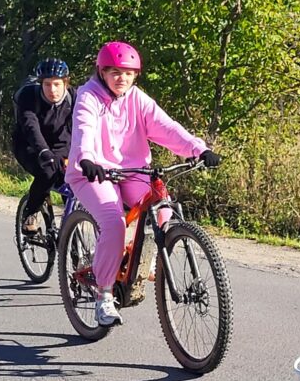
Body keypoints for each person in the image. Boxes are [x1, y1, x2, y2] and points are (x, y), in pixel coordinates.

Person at [68, 41, 221, 326]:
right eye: (114, 72)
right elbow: (84, 128)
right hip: (92, 171)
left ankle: (146, 259)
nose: (121, 78)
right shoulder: (88, 96)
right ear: (101, 72)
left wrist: (198, 149)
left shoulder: (137, 98)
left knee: (163, 205)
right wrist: (87, 158)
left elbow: (167, 127)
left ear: (135, 75)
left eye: (127, 73)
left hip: (132, 169)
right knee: (114, 222)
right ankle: (104, 297)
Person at [12, 58, 74, 233]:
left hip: (61, 144)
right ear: (41, 84)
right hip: (28, 145)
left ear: (65, 83)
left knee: (72, 178)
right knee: (48, 171)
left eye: (57, 84)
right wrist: (44, 151)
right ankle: (30, 212)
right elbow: (30, 126)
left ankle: (71, 226)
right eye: (47, 84)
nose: (52, 90)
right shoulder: (28, 97)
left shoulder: (74, 98)